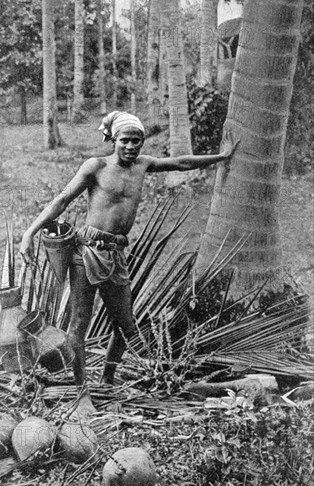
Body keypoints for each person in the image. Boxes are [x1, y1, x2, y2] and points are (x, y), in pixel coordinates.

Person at [20, 111, 239, 416]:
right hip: (86, 252)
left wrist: (221, 157)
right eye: (125, 140)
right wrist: (30, 233)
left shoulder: (143, 165)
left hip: (116, 254)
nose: (131, 146)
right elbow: (62, 200)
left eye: (137, 141)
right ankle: (82, 391)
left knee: (125, 325)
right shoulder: (96, 167)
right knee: (80, 323)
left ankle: (108, 380)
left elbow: (182, 162)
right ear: (113, 140)